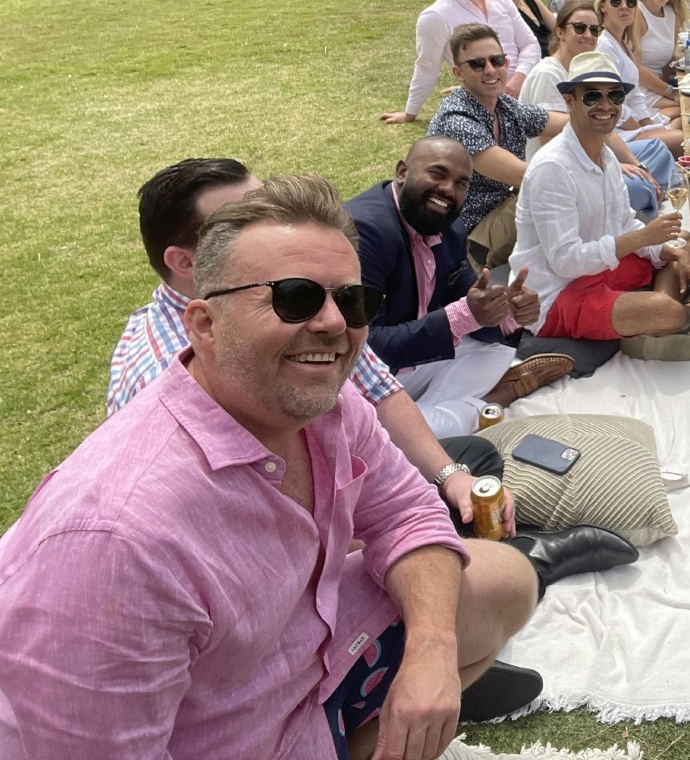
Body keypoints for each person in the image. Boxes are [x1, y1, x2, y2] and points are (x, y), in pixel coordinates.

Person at [0, 175, 546, 757]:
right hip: (231, 735)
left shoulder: (326, 405)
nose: (335, 324)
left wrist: (431, 651)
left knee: (508, 579)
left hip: (310, 669)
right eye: (295, 297)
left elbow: (407, 512)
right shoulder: (113, 543)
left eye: (353, 300)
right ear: (205, 324)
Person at [108, 157, 516, 532]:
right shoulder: (165, 377)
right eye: (239, 223)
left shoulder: (307, 301)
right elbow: (249, 540)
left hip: (345, 492)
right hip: (286, 550)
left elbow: (376, 387)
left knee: (471, 463)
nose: (275, 226)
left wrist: (447, 478)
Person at [345, 138, 577, 430]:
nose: (448, 190)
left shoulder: (448, 225)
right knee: (394, 436)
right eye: (438, 174)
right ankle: (496, 399)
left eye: (461, 184)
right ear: (402, 172)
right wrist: (464, 316)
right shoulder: (364, 232)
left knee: (498, 347)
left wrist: (506, 309)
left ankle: (432, 418)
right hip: (359, 378)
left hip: (410, 361)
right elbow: (363, 348)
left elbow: (466, 291)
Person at [510, 52, 690, 361]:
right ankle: (684, 313)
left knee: (683, 242)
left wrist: (669, 250)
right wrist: (642, 240)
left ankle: (648, 328)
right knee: (667, 306)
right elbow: (565, 262)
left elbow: (624, 225)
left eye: (615, 95)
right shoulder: (553, 168)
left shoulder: (605, 154)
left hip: (600, 269)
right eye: (592, 95)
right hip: (558, 293)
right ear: (570, 100)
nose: (606, 105)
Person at [428, 24, 566, 269]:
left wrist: (599, 112)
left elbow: (570, 124)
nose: (490, 70)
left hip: (498, 215)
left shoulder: (504, 106)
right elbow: (529, 176)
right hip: (465, 237)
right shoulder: (456, 121)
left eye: (497, 60)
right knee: (550, 194)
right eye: (477, 64)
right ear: (458, 74)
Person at [518, 2, 671, 218]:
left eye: (594, 29)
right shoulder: (548, 74)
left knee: (657, 150)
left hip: (595, 152)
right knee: (637, 187)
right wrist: (612, 166)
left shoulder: (587, 67)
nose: (588, 35)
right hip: (568, 169)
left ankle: (647, 202)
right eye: (579, 28)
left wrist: (638, 166)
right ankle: (639, 220)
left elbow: (606, 131)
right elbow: (550, 141)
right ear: (560, 32)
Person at [382, 0, 542, 125]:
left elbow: (530, 44)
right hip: (487, 97)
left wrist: (517, 81)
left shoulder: (501, 1)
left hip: (527, 82)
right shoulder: (435, 16)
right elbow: (427, 66)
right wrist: (410, 112)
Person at [594, 0, 686, 155]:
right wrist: (641, 128)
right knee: (682, 140)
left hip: (632, 122)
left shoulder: (621, 43)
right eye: (616, 1)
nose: (624, 7)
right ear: (603, 5)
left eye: (630, 2)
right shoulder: (604, 46)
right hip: (617, 131)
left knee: (685, 120)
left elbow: (634, 94)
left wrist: (647, 124)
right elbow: (611, 101)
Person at [634, 0, 690, 108]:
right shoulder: (636, 13)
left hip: (659, 88)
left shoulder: (673, 15)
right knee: (687, 111)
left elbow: (667, 64)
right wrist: (670, 92)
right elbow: (635, 68)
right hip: (636, 89)